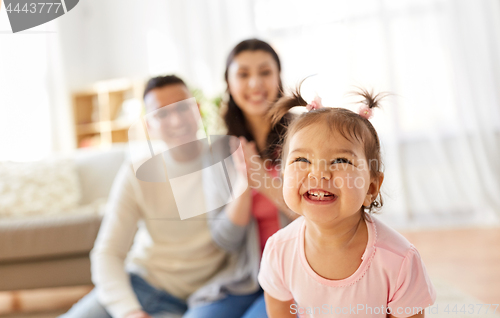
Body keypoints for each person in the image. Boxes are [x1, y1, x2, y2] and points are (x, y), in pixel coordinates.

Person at [59, 75, 248, 318]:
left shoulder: (228, 161)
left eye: (183, 107)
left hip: (188, 302)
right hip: (136, 285)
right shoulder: (136, 173)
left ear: (197, 110)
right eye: (162, 114)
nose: (176, 119)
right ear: (149, 125)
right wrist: (128, 311)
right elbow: (107, 253)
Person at [257, 86, 437, 318]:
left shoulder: (398, 260)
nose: (319, 174)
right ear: (283, 175)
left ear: (371, 188)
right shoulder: (279, 251)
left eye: (340, 160)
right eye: (302, 159)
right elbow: (280, 312)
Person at [201, 39, 297, 318]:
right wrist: (244, 185)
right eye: (243, 74)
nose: (255, 83)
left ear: (279, 77)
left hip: (295, 276)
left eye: (265, 72)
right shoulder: (219, 150)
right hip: (244, 279)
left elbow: (320, 220)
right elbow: (224, 239)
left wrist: (262, 181)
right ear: (229, 84)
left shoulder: (305, 135)